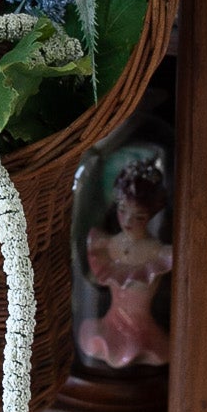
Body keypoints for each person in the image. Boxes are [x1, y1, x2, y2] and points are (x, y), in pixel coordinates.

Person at [78, 156, 173, 370]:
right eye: (123, 210)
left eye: (139, 216)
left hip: (143, 331)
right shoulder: (107, 245)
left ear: (152, 215)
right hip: (109, 325)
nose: (128, 221)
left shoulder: (158, 253)